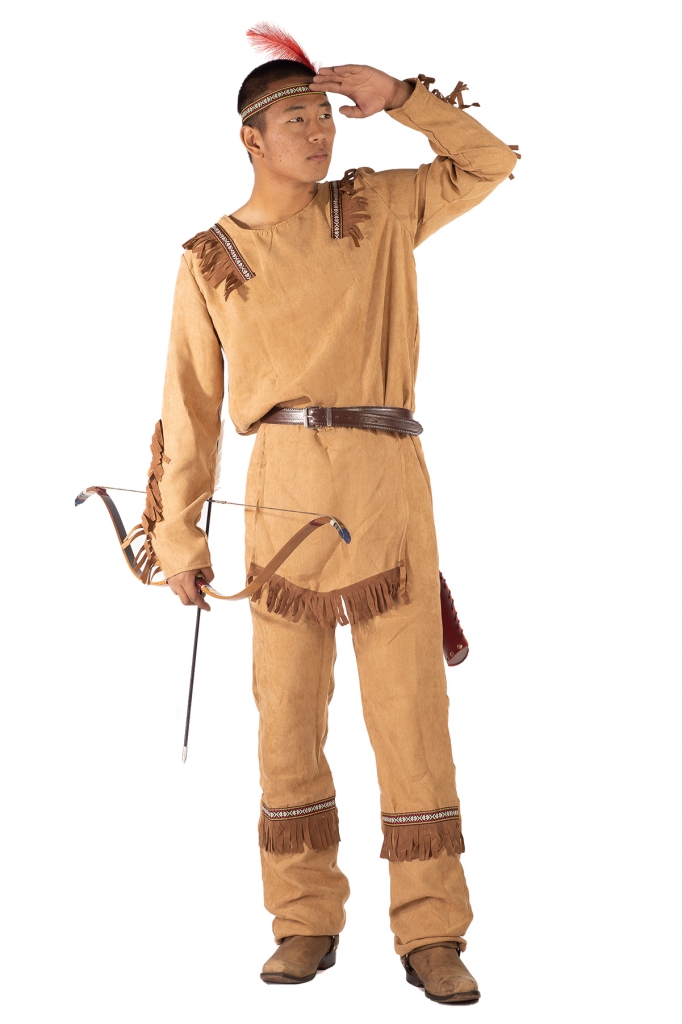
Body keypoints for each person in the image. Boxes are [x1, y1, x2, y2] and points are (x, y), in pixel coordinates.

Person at [145, 27, 517, 1003]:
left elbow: (488, 162)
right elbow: (189, 406)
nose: (318, 132)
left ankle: (432, 931)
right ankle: (303, 919)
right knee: (286, 720)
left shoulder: (377, 206)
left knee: (411, 716)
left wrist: (402, 98)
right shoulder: (211, 258)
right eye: (296, 120)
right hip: (281, 498)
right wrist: (180, 536)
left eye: (324, 116)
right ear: (251, 139)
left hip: (385, 484)